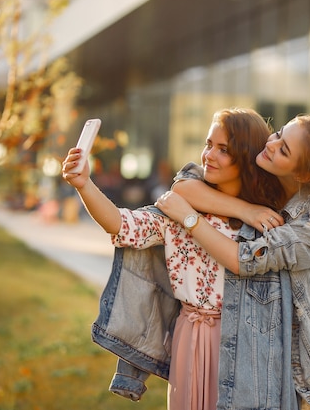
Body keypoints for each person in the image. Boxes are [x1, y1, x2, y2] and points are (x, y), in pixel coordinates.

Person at [61, 108, 289, 410]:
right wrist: (84, 185)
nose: (209, 155)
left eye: (224, 149)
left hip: (244, 340)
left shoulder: (265, 219)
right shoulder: (179, 210)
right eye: (209, 144)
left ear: (246, 156)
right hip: (189, 334)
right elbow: (121, 224)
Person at [157, 114, 310, 410]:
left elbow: (242, 260)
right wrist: (245, 209)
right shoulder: (264, 166)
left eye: (284, 150)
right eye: (279, 134)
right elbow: (184, 186)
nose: (272, 145)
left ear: (303, 175)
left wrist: (190, 218)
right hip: (274, 338)